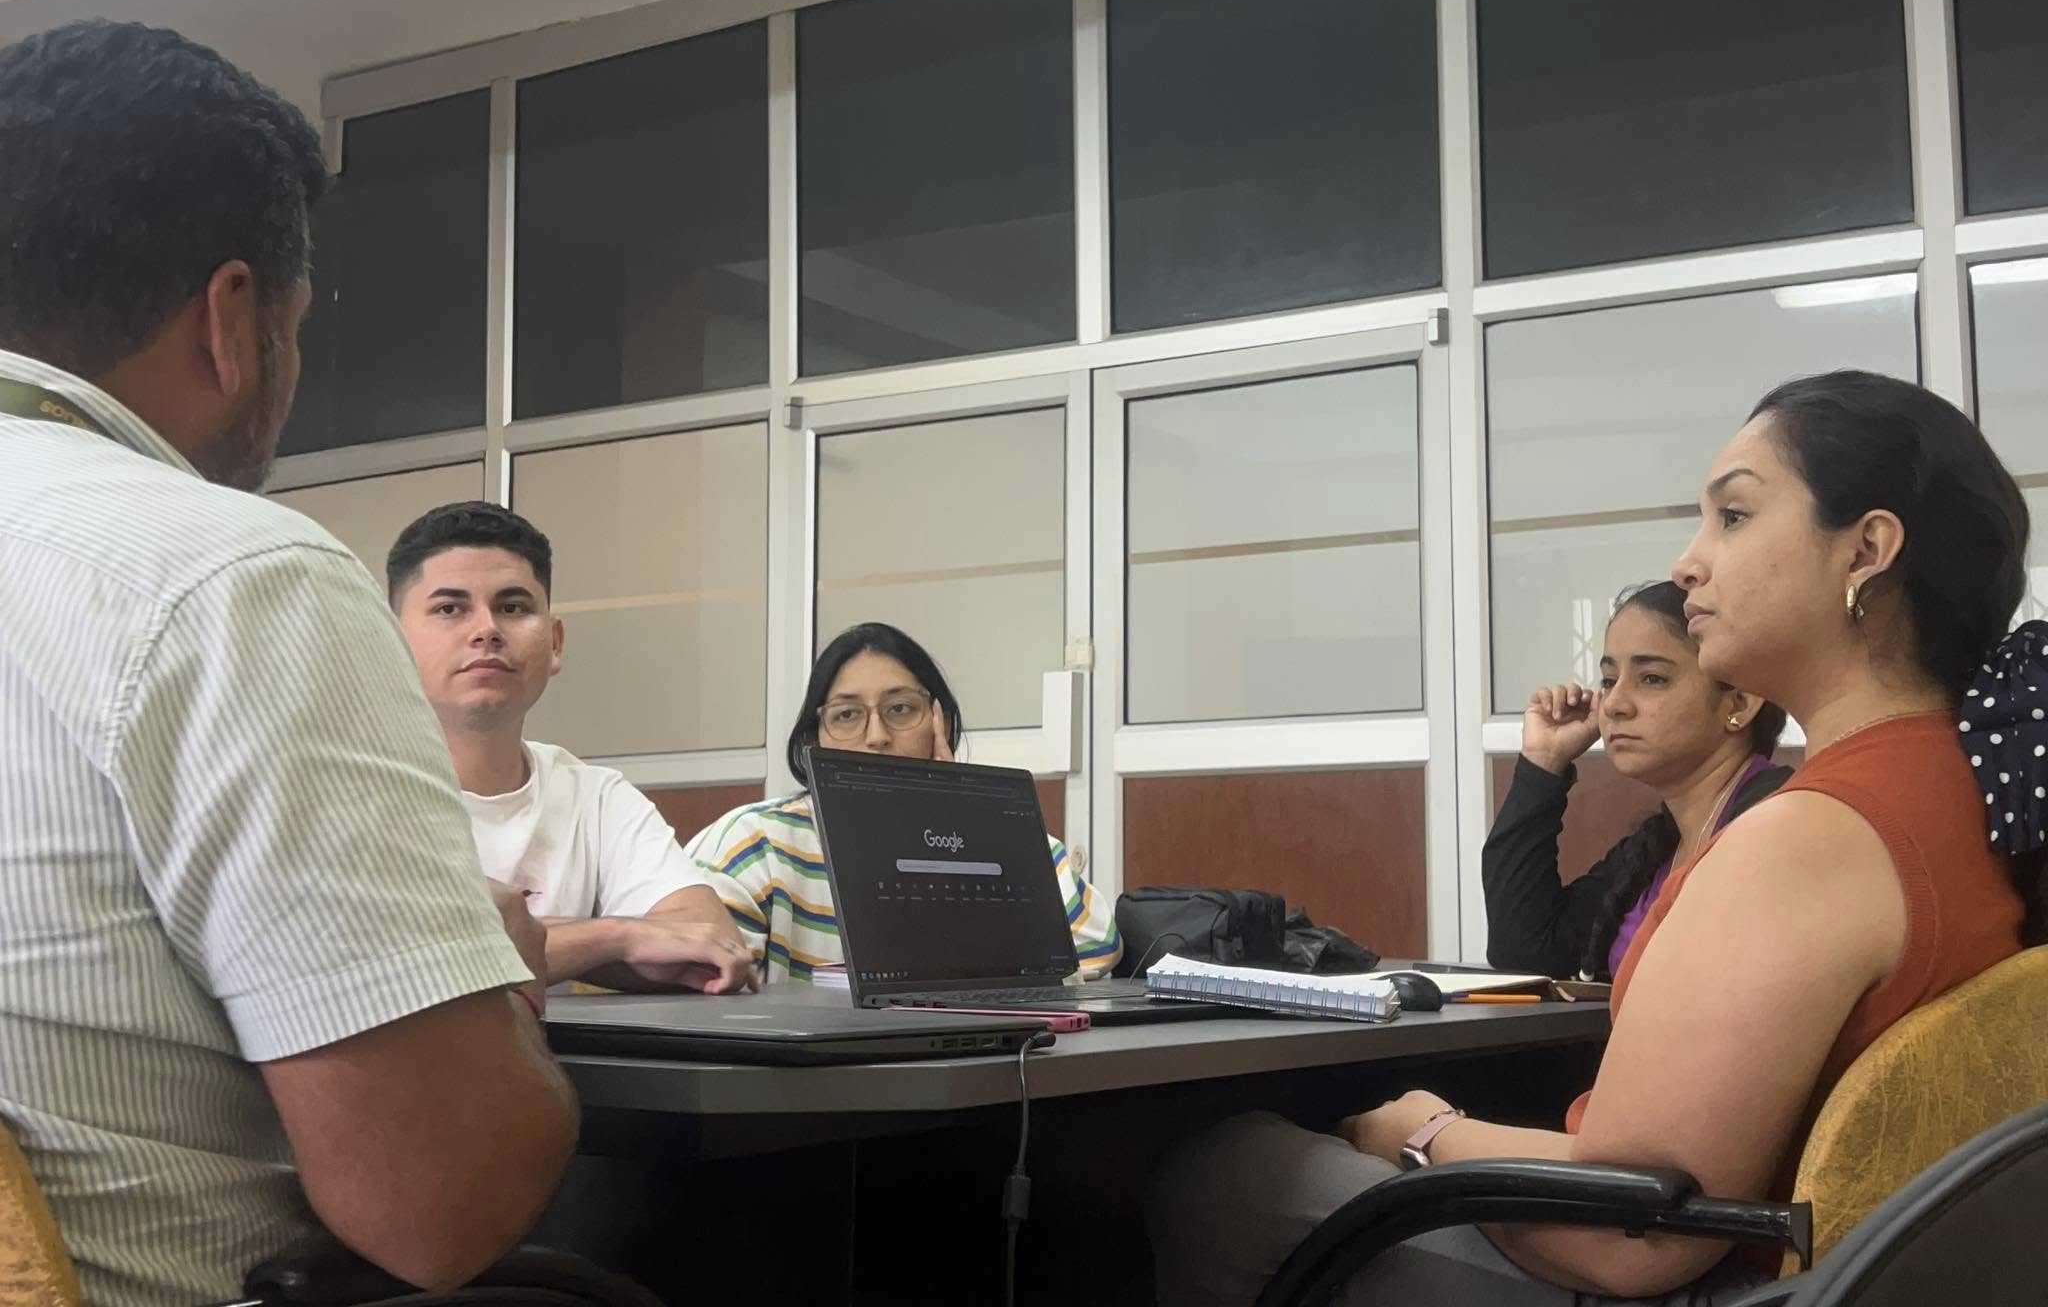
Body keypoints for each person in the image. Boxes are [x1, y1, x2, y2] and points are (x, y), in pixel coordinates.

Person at [1149, 369, 2037, 1305]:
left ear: (1866, 551)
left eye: (1733, 516)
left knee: (1229, 1170)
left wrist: (1423, 1131)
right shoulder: (1965, 784)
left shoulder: (1811, 836)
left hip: (1720, 1283)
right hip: (1864, 1273)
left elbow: (1629, 1237)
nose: (1690, 563)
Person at [0, 22, 577, 1307]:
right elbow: (443, 1205)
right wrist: (496, 979)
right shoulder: (224, 571)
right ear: (233, 319)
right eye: (297, 327)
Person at [387, 501, 756, 993]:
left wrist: (528, 945)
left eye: (512, 608)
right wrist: (618, 937)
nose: (486, 630)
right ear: (389, 643)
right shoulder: (347, 790)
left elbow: (712, 945)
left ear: (555, 643)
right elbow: (400, 959)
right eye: (449, 609)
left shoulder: (595, 796)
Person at [688, 622, 1121, 982]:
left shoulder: (998, 834)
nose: (876, 736)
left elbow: (1096, 946)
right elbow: (705, 977)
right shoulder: (756, 844)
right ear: (813, 738)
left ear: (939, 721)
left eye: (900, 709)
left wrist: (962, 820)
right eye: (846, 715)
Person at [1484, 580, 1791, 980]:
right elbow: (1524, 949)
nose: (1614, 704)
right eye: (1609, 680)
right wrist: (1543, 763)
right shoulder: (1657, 848)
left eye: (1652, 678)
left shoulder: (1782, 823)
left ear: (1740, 702)